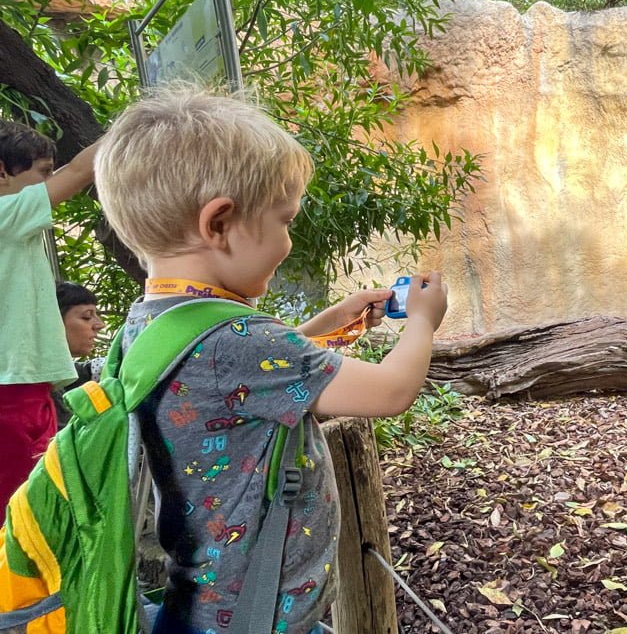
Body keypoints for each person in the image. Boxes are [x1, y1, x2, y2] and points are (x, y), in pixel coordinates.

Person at [94, 87, 448, 634]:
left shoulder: (151, 323)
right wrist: (423, 318)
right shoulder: (240, 340)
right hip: (261, 614)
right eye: (284, 220)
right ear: (219, 223)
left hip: (204, 605)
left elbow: (230, 384)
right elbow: (390, 391)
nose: (287, 240)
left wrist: (326, 325)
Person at [0, 121, 99, 515]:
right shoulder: (6, 213)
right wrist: (138, 122)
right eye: (43, 172)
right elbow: (78, 171)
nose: (51, 182)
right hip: (12, 388)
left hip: (24, 384)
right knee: (22, 510)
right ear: (2, 172)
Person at [54, 281, 107, 427]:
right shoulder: (39, 385)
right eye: (87, 317)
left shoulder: (62, 373)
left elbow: (90, 370)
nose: (100, 325)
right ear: (54, 321)